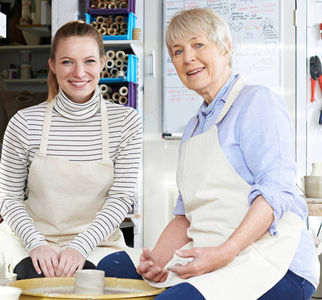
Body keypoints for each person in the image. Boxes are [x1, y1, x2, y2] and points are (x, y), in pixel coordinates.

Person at [136, 7, 319, 300]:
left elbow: (276, 192)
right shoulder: (194, 126)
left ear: (225, 48)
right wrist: (157, 261)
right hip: (217, 259)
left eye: (198, 44)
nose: (188, 58)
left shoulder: (257, 103)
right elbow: (185, 215)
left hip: (273, 262)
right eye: (177, 51)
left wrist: (226, 251)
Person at [0, 20, 142, 280]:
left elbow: (120, 199)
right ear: (51, 65)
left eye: (89, 61)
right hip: (30, 238)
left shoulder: (126, 121)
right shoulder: (25, 122)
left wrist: (79, 247)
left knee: (109, 282)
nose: (79, 72)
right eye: (67, 62)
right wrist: (36, 243)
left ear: (103, 63)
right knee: (40, 282)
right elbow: (8, 197)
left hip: (98, 242)